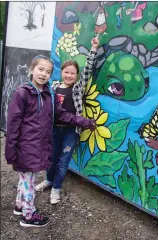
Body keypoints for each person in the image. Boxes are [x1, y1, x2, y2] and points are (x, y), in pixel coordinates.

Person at [5, 55, 96, 228]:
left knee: (26, 179)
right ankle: (28, 216)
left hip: (37, 145)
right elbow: (13, 124)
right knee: (29, 181)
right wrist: (11, 151)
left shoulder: (48, 93)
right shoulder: (23, 93)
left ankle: (19, 206)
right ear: (32, 70)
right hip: (26, 146)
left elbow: (62, 114)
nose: (43, 74)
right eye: (40, 69)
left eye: (48, 72)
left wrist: (85, 121)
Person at [35, 37, 99, 204]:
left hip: (71, 131)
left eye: (73, 73)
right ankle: (48, 180)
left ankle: (56, 189)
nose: (69, 75)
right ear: (61, 72)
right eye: (66, 72)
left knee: (63, 162)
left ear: (76, 75)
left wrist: (93, 49)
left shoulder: (77, 88)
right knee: (51, 158)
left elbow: (87, 71)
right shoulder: (54, 87)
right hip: (54, 130)